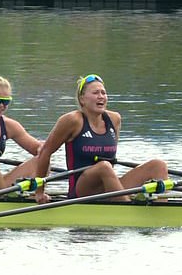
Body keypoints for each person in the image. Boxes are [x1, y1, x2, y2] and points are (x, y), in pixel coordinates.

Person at [34, 74, 168, 204]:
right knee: (104, 166)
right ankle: (126, 208)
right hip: (81, 190)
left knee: (158, 165)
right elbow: (45, 152)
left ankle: (164, 211)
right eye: (95, 93)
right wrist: (39, 192)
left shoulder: (114, 119)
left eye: (103, 93)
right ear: (82, 99)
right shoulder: (72, 120)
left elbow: (111, 158)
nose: (101, 97)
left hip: (106, 186)